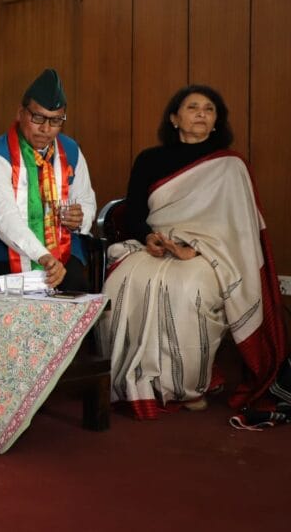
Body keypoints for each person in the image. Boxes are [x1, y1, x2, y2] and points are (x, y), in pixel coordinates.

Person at [98, 85, 286, 418]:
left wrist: (193, 247)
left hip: (211, 254)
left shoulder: (230, 165)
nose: (201, 113)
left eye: (209, 109)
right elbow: (135, 213)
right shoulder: (149, 159)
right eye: (192, 107)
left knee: (187, 289)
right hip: (155, 243)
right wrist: (150, 238)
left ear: (216, 123)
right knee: (122, 282)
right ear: (174, 118)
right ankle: (131, 381)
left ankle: (188, 385)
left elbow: (240, 231)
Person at [0, 68, 97, 291]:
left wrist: (80, 218)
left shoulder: (71, 151)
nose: (46, 129)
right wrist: (43, 257)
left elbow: (87, 200)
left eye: (55, 121)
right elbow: (6, 219)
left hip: (64, 251)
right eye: (38, 118)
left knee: (75, 288)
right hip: (9, 253)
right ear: (20, 113)